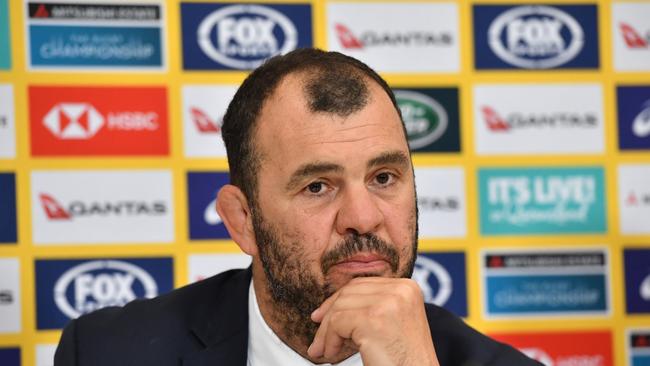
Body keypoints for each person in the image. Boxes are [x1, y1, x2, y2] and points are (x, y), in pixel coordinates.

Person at [54, 48, 540, 366]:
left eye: (384, 178)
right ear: (242, 221)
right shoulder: (108, 353)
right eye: (317, 187)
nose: (364, 218)